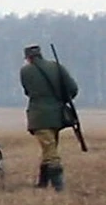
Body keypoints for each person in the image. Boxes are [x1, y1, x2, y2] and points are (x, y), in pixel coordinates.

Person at [19, 44, 79, 191]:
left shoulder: (26, 71)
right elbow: (73, 89)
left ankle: (59, 187)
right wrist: (61, 99)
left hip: (39, 115)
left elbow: (27, 91)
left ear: (28, 58)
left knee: (50, 150)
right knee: (50, 146)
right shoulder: (57, 67)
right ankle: (43, 182)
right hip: (57, 115)